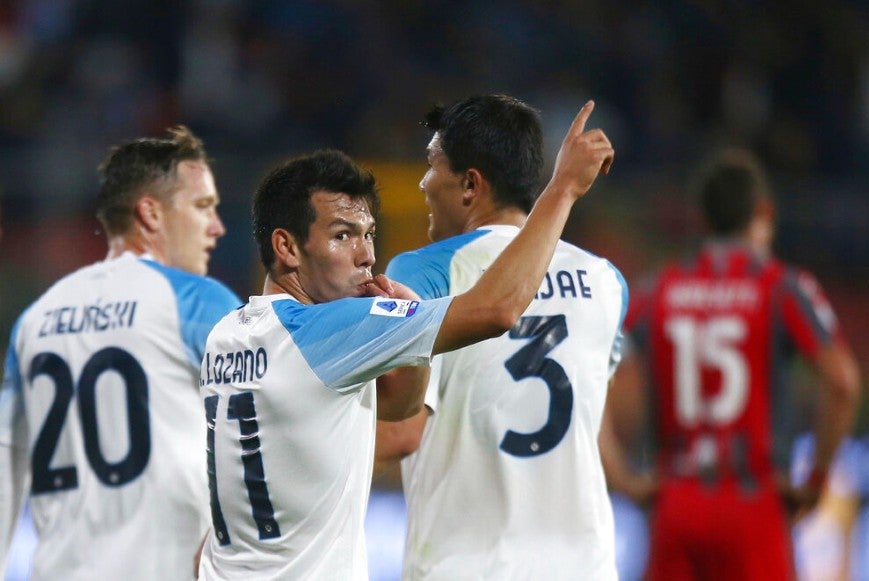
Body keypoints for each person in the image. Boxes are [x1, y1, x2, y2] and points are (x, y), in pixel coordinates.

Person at [197, 100, 614, 580]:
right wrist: (562, 189)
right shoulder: (335, 329)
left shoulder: (226, 335)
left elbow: (398, 409)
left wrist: (406, 349)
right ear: (287, 247)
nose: (366, 256)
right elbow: (496, 309)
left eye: (369, 234)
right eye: (342, 235)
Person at [371, 94, 627, 580]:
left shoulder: (424, 272)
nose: (423, 183)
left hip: (468, 564)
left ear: (470, 185)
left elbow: (401, 433)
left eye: (431, 165)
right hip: (583, 565)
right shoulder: (607, 281)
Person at [601, 148, 861, 580]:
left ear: (701, 220)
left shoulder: (657, 291)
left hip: (676, 502)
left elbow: (588, 378)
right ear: (763, 213)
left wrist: (621, 476)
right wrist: (815, 483)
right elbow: (843, 383)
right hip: (752, 500)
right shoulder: (780, 288)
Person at [0, 126, 242, 580]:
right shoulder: (197, 302)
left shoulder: (35, 320)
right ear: (151, 213)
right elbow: (269, 432)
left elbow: (4, 460)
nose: (217, 227)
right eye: (203, 207)